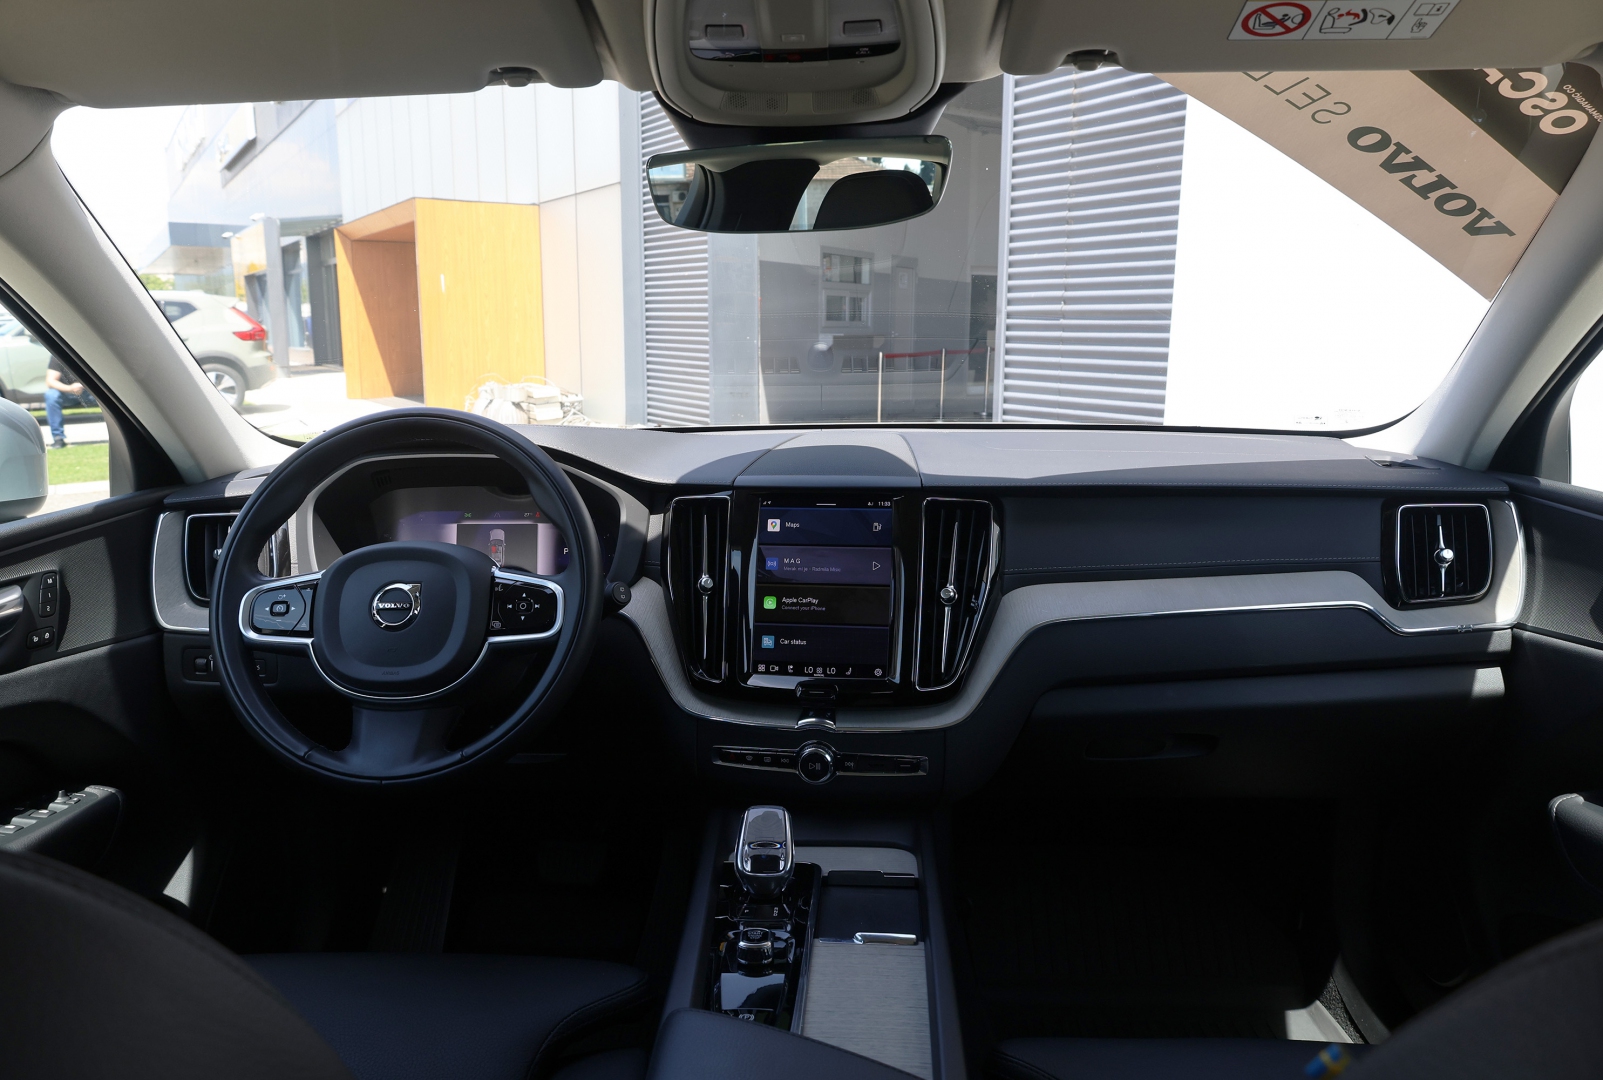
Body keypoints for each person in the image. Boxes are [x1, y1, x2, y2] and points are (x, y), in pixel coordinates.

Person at [43, 355, 83, 450]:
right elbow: (50, 381)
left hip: (91, 392)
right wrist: (70, 388)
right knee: (51, 395)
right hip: (66, 392)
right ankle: (58, 438)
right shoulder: (58, 355)